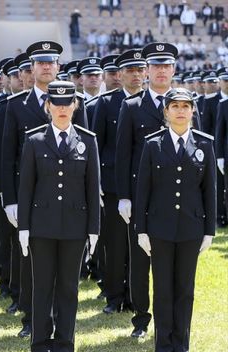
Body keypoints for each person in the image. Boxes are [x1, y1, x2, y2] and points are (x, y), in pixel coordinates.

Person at [0, 41, 88, 339]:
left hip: (67, 200)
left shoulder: (76, 102)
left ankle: (60, 323)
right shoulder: (16, 104)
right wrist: (10, 199)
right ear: (31, 68)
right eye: (40, 63)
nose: (46, 67)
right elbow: (6, 154)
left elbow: (85, 148)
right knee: (31, 264)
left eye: (51, 62)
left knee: (63, 273)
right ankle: (32, 319)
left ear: (58, 67)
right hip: (31, 200)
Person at [17, 80, 100, 352]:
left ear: (75, 106)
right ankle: (40, 342)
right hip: (42, 226)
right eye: (57, 103)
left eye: (68, 103)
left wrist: (93, 229)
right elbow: (26, 188)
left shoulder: (87, 141)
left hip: (75, 227)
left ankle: (64, 344)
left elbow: (92, 187)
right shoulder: (35, 140)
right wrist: (24, 227)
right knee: (42, 285)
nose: (62, 108)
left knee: (68, 287)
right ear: (48, 106)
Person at [115, 42, 192, 339]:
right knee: (140, 260)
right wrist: (124, 195)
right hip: (141, 196)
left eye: (166, 66)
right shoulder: (132, 106)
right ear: (148, 71)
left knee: (174, 262)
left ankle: (171, 318)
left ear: (173, 69)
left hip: (176, 199)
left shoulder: (185, 103)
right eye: (156, 66)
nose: (161, 71)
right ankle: (141, 317)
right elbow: (123, 155)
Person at [134, 88, 215, 352]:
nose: (180, 111)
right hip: (160, 228)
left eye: (185, 106)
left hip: (191, 228)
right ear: (166, 111)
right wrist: (141, 229)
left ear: (193, 111)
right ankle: (162, 345)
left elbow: (210, 191)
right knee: (163, 289)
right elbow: (143, 190)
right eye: (175, 106)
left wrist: (209, 231)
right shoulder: (153, 144)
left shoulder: (204, 144)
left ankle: (181, 346)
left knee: (185, 289)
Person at [92, 49, 146, 314]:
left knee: (140, 244)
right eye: (129, 71)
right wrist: (98, 182)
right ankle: (114, 297)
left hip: (146, 185)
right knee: (114, 243)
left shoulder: (154, 102)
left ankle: (137, 297)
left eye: (139, 70)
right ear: (120, 74)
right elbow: (97, 145)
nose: (135, 76)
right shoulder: (106, 102)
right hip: (114, 184)